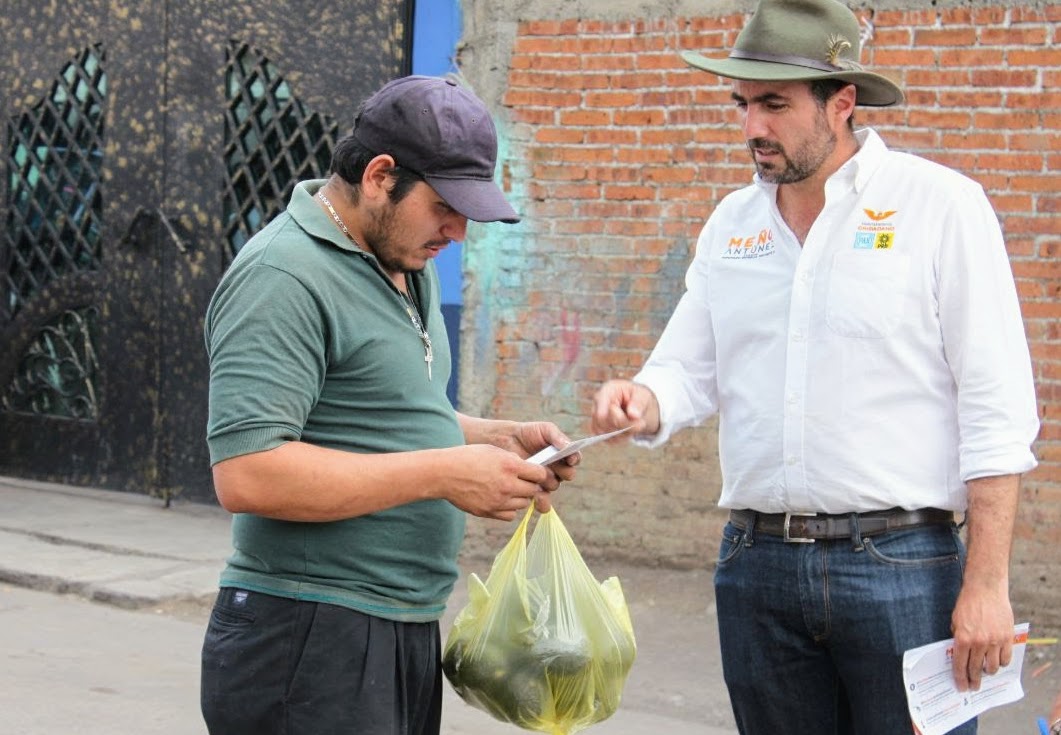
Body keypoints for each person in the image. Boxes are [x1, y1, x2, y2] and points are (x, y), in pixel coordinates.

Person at [590, 1, 1040, 733]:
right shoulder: (733, 222)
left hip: (903, 566)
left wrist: (986, 583)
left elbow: (995, 408)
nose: (751, 127)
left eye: (773, 103)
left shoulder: (940, 208)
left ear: (842, 102)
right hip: (756, 563)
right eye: (742, 104)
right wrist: (641, 397)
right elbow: (687, 367)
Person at [200, 75, 578, 735]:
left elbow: (384, 412)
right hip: (307, 632)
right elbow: (249, 470)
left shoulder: (404, 264)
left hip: (398, 622)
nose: (456, 231)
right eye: (443, 206)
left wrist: (493, 438)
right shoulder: (281, 277)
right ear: (378, 176)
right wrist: (442, 472)